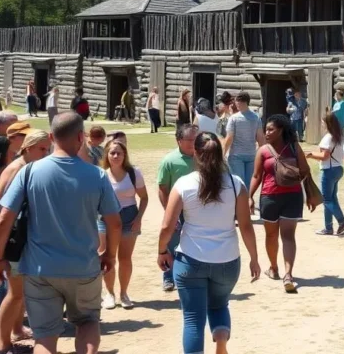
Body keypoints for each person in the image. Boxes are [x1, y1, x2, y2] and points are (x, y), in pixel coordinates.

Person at [0, 112, 121, 354]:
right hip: (83, 267)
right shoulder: (96, 175)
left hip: (40, 270)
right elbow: (114, 223)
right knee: (87, 322)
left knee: (44, 337)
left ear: (52, 137)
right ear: (81, 137)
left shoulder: (29, 172)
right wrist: (109, 255)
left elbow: (3, 218)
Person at [158, 132, 261, 354]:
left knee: (193, 319)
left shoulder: (184, 184)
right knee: (219, 304)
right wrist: (254, 257)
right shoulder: (236, 184)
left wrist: (162, 250)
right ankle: (221, 340)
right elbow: (245, 226)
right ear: (220, 154)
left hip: (190, 259)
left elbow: (167, 226)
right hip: (227, 260)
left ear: (195, 153)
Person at [0, 130, 49, 353]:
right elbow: (2, 211)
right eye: (42, 149)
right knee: (15, 293)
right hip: (13, 241)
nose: (46, 154)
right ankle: (2, 343)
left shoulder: (28, 167)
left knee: (20, 292)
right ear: (28, 148)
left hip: (21, 239)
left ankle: (16, 330)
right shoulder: (17, 170)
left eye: (47, 149)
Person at [249, 115, 310, 292]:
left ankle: (284, 272)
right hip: (278, 197)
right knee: (274, 236)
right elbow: (256, 176)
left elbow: (305, 170)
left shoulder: (284, 148)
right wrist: (249, 196)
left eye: (270, 130)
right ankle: (277, 269)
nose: (266, 133)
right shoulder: (269, 150)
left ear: (281, 130)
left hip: (279, 197)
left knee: (284, 236)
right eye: (266, 129)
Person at [97, 139, 148, 310]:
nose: (116, 155)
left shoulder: (134, 173)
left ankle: (124, 293)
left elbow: (144, 198)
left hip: (129, 217)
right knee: (107, 257)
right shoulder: (101, 174)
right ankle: (109, 294)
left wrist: (139, 218)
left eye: (119, 152)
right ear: (107, 155)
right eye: (112, 152)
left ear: (125, 154)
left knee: (125, 258)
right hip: (107, 219)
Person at [157, 124, 199, 292]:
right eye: (189, 140)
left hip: (196, 209)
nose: (193, 143)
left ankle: (191, 275)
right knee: (172, 242)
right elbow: (162, 188)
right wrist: (169, 212)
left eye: (196, 139)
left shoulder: (202, 158)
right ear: (179, 141)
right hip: (176, 209)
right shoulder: (169, 160)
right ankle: (168, 277)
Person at [307, 112, 344, 236]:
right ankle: (328, 227)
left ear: (327, 124)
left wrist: (310, 155)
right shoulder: (341, 136)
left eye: (323, 122)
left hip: (329, 170)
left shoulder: (328, 137)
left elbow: (324, 156)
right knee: (331, 199)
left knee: (326, 200)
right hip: (338, 169)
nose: (322, 125)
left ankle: (342, 221)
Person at [222, 91, 264, 191]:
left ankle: (239, 204)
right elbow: (260, 138)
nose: (234, 104)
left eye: (236, 101)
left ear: (239, 102)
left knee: (238, 183)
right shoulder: (256, 118)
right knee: (248, 184)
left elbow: (229, 138)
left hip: (236, 155)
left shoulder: (233, 118)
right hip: (251, 155)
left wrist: (223, 153)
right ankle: (248, 203)